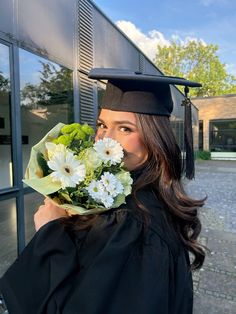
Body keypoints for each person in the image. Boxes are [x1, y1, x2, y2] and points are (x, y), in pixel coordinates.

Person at [0, 68, 206, 314]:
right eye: (102, 124)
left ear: (155, 138)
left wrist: (50, 232)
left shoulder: (132, 223)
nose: (105, 139)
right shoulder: (134, 198)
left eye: (125, 128)